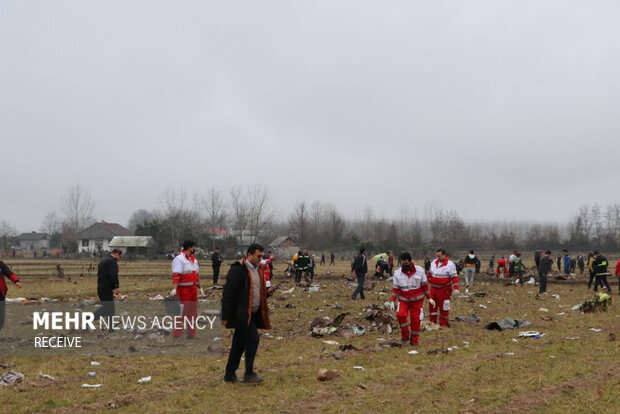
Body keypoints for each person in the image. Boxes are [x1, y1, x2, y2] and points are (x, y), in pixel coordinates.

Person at [222, 243, 272, 383]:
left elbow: (254, 292)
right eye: (258, 256)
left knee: (238, 344)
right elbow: (228, 294)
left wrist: (267, 294)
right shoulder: (238, 270)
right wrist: (225, 315)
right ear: (249, 255)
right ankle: (249, 373)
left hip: (252, 313)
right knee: (253, 339)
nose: (260, 259)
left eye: (262, 256)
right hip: (241, 314)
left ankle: (229, 375)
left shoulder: (258, 271)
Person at [390, 252, 435, 345]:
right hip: (403, 299)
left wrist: (429, 298)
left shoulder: (420, 270)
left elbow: (425, 286)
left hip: (417, 301)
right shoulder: (397, 273)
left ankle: (414, 341)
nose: (404, 265)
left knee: (415, 320)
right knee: (400, 315)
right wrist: (392, 301)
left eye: (406, 263)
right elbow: (395, 289)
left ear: (410, 261)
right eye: (403, 263)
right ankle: (405, 335)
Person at [170, 240, 204, 339]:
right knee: (181, 313)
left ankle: (191, 334)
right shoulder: (179, 260)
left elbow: (195, 276)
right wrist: (174, 289)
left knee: (192, 313)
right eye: (193, 247)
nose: (194, 249)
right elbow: (176, 276)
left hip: (193, 290)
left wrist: (200, 287)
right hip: (183, 290)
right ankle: (177, 335)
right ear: (189, 247)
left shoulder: (193, 260)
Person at [427, 248, 459, 327]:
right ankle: (432, 322)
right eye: (436, 256)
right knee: (432, 306)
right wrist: (428, 280)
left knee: (444, 307)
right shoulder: (433, 262)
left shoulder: (450, 265)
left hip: (444, 290)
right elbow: (429, 273)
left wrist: (456, 288)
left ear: (444, 255)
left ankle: (443, 323)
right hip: (433, 289)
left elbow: (454, 277)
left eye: (439, 256)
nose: (438, 258)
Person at [93, 249, 122, 329]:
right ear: (116, 254)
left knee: (109, 308)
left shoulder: (104, 260)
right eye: (120, 255)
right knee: (108, 308)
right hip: (106, 288)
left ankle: (110, 328)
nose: (120, 258)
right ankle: (88, 318)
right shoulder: (112, 262)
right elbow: (113, 275)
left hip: (101, 287)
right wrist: (116, 286)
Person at [0, 261, 22, 332]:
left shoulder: (1, 264)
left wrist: (16, 281)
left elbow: (9, 274)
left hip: (0, 294)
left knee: (1, 318)